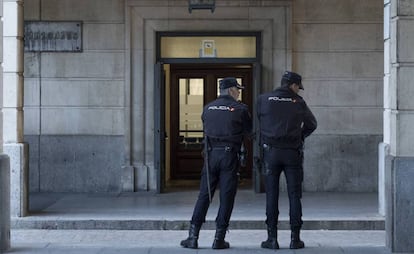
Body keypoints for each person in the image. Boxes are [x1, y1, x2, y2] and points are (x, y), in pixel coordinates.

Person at [180, 77, 252, 249]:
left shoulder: (208, 108)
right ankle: (219, 239)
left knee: (204, 195)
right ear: (231, 90)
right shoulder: (240, 109)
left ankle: (192, 236)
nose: (239, 92)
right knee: (227, 197)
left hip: (210, 156)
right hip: (229, 156)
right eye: (238, 89)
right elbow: (250, 132)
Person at [256, 71, 317, 250]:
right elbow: (312, 124)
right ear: (293, 85)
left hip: (271, 153)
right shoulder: (298, 102)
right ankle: (295, 238)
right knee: (294, 195)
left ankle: (272, 238)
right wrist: (299, 136)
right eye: (298, 87)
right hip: (292, 153)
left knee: (271, 196)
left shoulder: (263, 99)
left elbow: (259, 124)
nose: (299, 91)